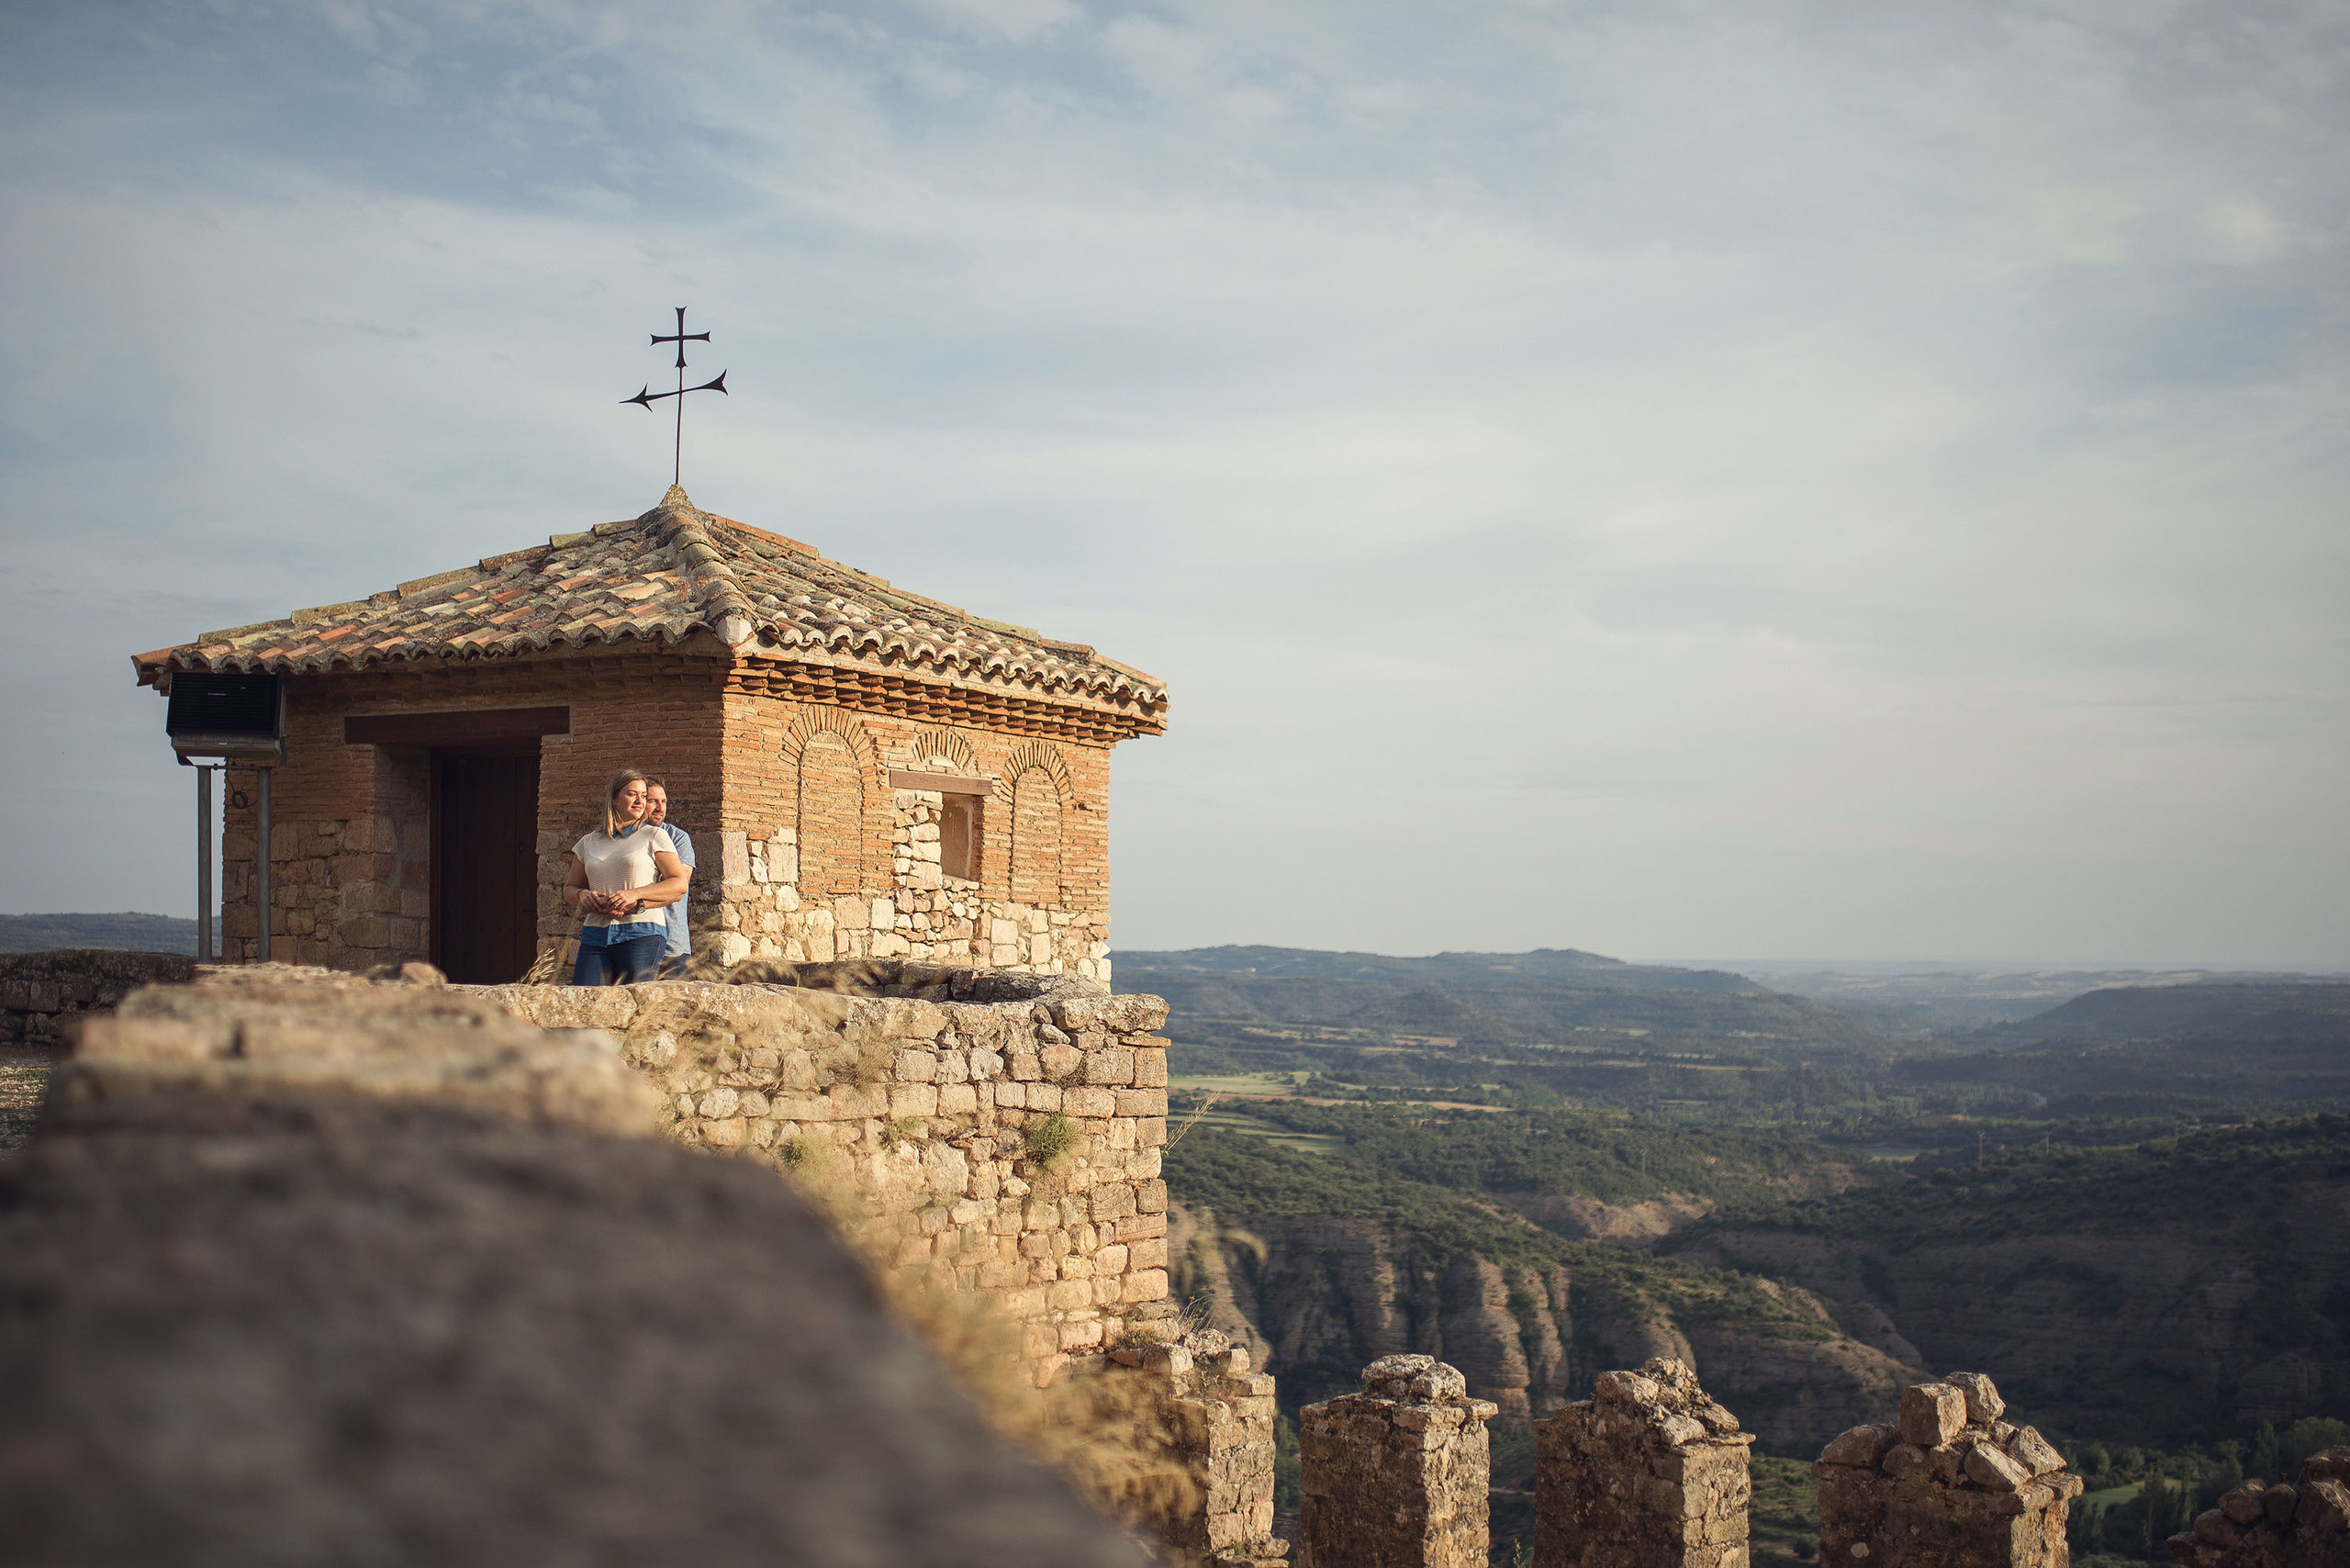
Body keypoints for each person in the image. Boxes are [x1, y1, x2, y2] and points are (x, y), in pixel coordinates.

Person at [564, 768, 688, 986]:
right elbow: (569, 888)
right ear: (614, 799)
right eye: (632, 794)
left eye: (643, 795)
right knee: (586, 1004)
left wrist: (635, 895)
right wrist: (582, 895)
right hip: (595, 934)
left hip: (642, 933)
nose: (639, 800)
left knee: (636, 1009)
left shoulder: (655, 835)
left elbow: (678, 883)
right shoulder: (588, 842)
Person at [643, 778, 695, 979]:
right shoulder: (625, 838)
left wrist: (634, 898)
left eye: (663, 802)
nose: (659, 808)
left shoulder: (677, 838)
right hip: (635, 942)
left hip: (672, 946)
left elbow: (677, 886)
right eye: (653, 801)